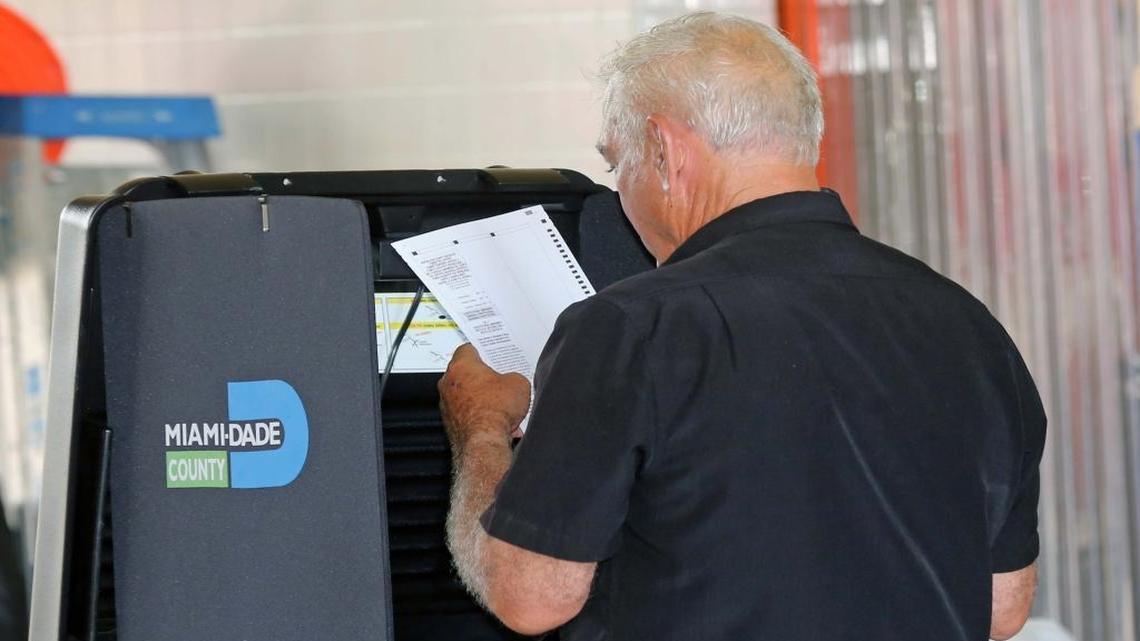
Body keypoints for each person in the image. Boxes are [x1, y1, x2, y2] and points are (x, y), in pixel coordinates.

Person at [438, 11, 1044, 641]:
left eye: (619, 166)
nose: (621, 193)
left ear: (665, 151)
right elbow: (1001, 608)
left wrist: (482, 426)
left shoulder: (632, 328)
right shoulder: (970, 329)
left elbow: (530, 597)